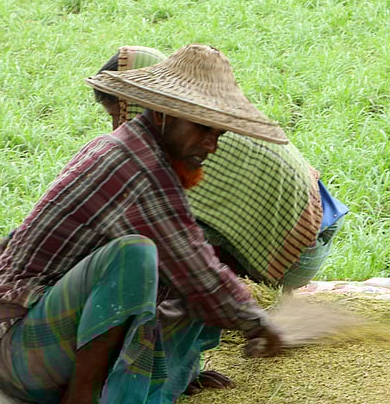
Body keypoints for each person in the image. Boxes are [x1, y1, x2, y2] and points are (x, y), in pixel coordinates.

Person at [0, 44, 288, 404]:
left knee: (187, 263)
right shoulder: (133, 164)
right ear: (163, 114)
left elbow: (191, 261)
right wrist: (256, 322)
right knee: (138, 256)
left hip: (45, 334)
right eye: (202, 128)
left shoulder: (137, 152)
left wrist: (243, 315)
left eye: (218, 133)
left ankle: (168, 375)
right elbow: (196, 270)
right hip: (17, 348)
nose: (211, 145)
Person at [96, 46, 348, 291]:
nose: (117, 125)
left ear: (139, 101)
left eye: (118, 114)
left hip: (297, 256)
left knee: (161, 241)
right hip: (319, 224)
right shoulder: (199, 111)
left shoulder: (184, 135)